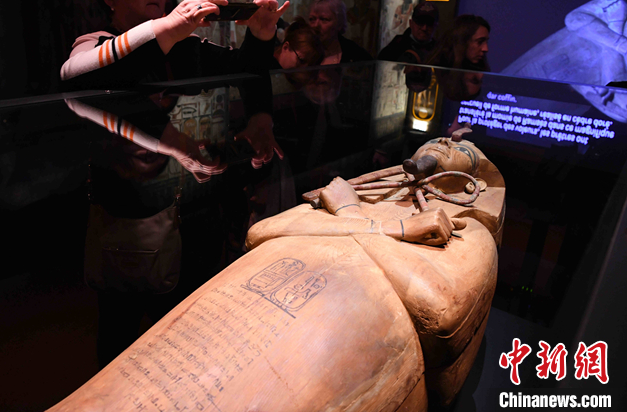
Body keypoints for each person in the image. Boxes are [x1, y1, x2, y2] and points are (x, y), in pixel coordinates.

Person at [47, 132, 505, 411]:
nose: (445, 143)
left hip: (337, 333)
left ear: (477, 177)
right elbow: (261, 233)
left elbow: (439, 314)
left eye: (460, 147)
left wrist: (350, 217)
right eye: (443, 140)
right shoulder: (364, 194)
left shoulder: (468, 228)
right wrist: (373, 223)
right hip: (247, 298)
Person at [60, 0, 287, 368]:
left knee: (186, 336)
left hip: (186, 216)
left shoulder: (182, 49)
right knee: (120, 339)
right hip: (129, 222)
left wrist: (260, 35)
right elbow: (75, 75)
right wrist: (168, 26)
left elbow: (244, 68)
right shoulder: (94, 42)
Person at [308, 0, 372, 65]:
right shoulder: (302, 50)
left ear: (339, 24)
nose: (316, 25)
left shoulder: (356, 54)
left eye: (324, 19)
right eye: (312, 19)